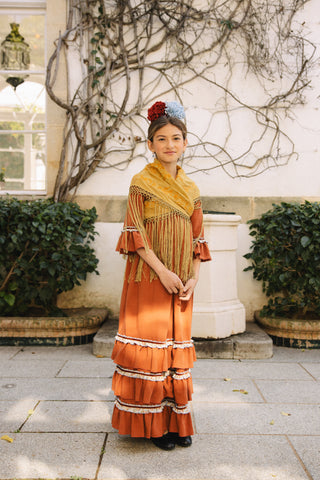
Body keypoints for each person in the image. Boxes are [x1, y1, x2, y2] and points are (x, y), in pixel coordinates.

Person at [111, 100, 211, 451]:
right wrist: (163, 272)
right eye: (162, 139)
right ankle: (152, 427)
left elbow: (199, 239)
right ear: (150, 144)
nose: (170, 145)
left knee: (173, 353)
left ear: (185, 143)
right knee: (150, 351)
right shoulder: (141, 182)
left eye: (177, 138)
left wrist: (193, 277)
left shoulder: (192, 190)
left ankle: (176, 422)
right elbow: (134, 235)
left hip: (183, 281)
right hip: (149, 277)